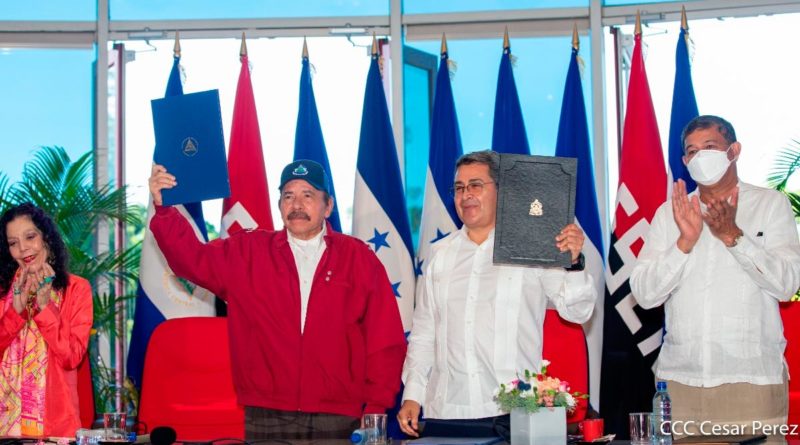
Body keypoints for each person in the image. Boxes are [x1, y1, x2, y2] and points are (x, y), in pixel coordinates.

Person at [148, 159, 406, 440]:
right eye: (288, 196)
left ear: (328, 206)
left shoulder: (359, 259)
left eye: (308, 195)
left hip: (340, 414)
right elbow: (191, 259)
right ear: (279, 204)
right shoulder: (248, 252)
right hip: (266, 412)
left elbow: (385, 340)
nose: (296, 204)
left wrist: (377, 404)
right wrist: (165, 210)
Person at [397, 150, 597, 437]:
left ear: (502, 192)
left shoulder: (531, 246)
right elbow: (424, 333)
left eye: (476, 185)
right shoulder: (439, 254)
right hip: (447, 412)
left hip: (512, 412)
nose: (466, 195)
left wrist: (575, 264)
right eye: (459, 188)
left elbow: (577, 311)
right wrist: (413, 394)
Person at [631, 115, 800, 437]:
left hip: (751, 380)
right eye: (692, 152)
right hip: (681, 383)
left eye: (710, 147)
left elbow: (787, 284)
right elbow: (645, 295)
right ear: (684, 161)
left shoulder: (769, 204)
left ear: (733, 151)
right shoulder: (670, 214)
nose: (700, 158)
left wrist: (734, 236)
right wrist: (684, 243)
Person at [0, 202, 93, 437]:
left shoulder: (76, 289)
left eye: (30, 237)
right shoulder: (3, 293)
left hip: (56, 428)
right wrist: (15, 312)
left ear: (46, 238)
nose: (23, 249)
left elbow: (71, 357)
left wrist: (45, 308)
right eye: (13, 243)